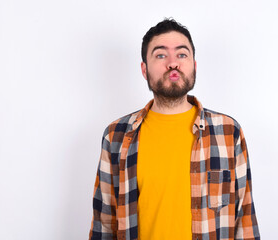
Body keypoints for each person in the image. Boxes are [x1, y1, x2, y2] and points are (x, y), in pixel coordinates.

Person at [89, 19, 260, 240]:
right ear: (144, 69)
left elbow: (244, 220)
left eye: (181, 54)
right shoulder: (117, 135)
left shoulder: (228, 131)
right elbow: (104, 223)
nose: (172, 63)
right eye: (160, 55)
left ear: (194, 65)